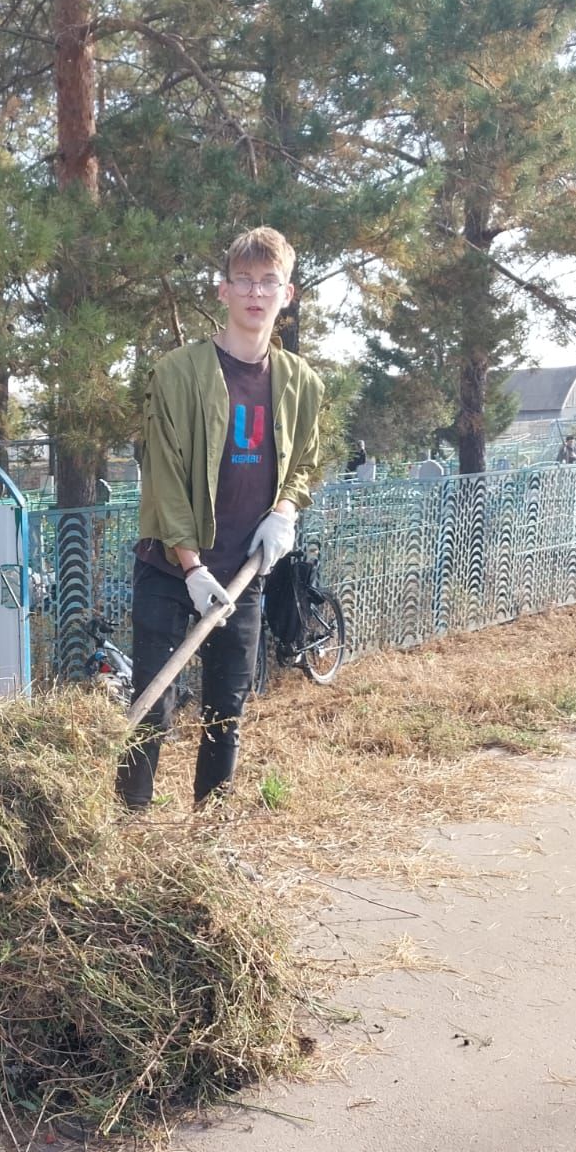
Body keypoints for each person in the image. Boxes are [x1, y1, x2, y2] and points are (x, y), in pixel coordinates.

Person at [117, 226, 324, 810]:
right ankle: (126, 830)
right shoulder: (179, 373)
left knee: (226, 709)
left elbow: (304, 462)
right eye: (244, 280)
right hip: (170, 569)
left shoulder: (302, 384)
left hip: (242, 575)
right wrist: (190, 567)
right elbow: (163, 474)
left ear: (288, 294)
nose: (256, 293)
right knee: (152, 707)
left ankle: (210, 836)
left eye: (269, 282)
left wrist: (285, 510)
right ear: (222, 290)